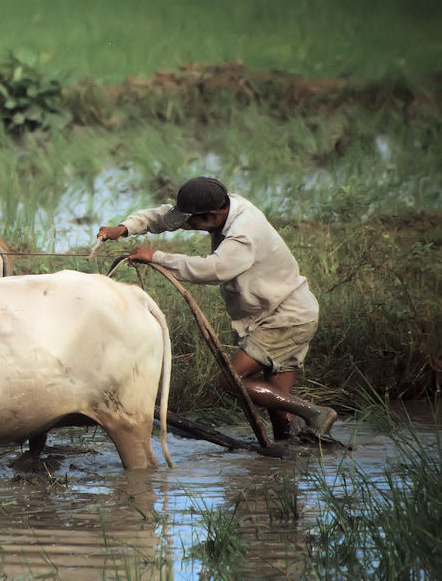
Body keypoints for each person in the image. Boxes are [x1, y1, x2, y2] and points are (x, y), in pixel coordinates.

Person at [97, 177, 336, 442]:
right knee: (280, 412)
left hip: (285, 318)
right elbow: (164, 216)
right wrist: (124, 228)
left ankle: (315, 413)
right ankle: (286, 460)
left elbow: (215, 269)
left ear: (211, 215)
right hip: (278, 312)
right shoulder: (223, 209)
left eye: (193, 221)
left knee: (230, 381)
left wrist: (158, 257)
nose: (190, 227)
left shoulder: (243, 231)